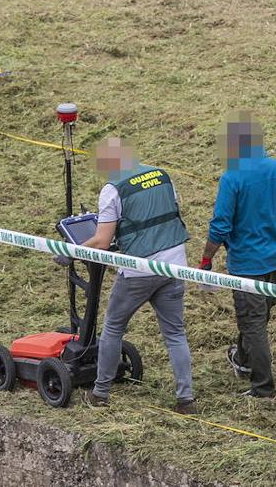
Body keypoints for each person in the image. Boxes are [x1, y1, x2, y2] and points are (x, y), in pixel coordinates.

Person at [199, 112, 276, 398]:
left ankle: (262, 386)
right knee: (259, 313)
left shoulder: (232, 178)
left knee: (253, 322)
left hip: (246, 264)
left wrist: (206, 258)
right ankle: (242, 359)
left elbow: (220, 225)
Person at [81, 137, 196, 414]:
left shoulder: (112, 189)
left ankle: (100, 393)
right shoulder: (162, 175)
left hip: (138, 270)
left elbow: (101, 240)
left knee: (112, 327)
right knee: (174, 333)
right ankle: (186, 399)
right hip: (174, 264)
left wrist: (69, 250)